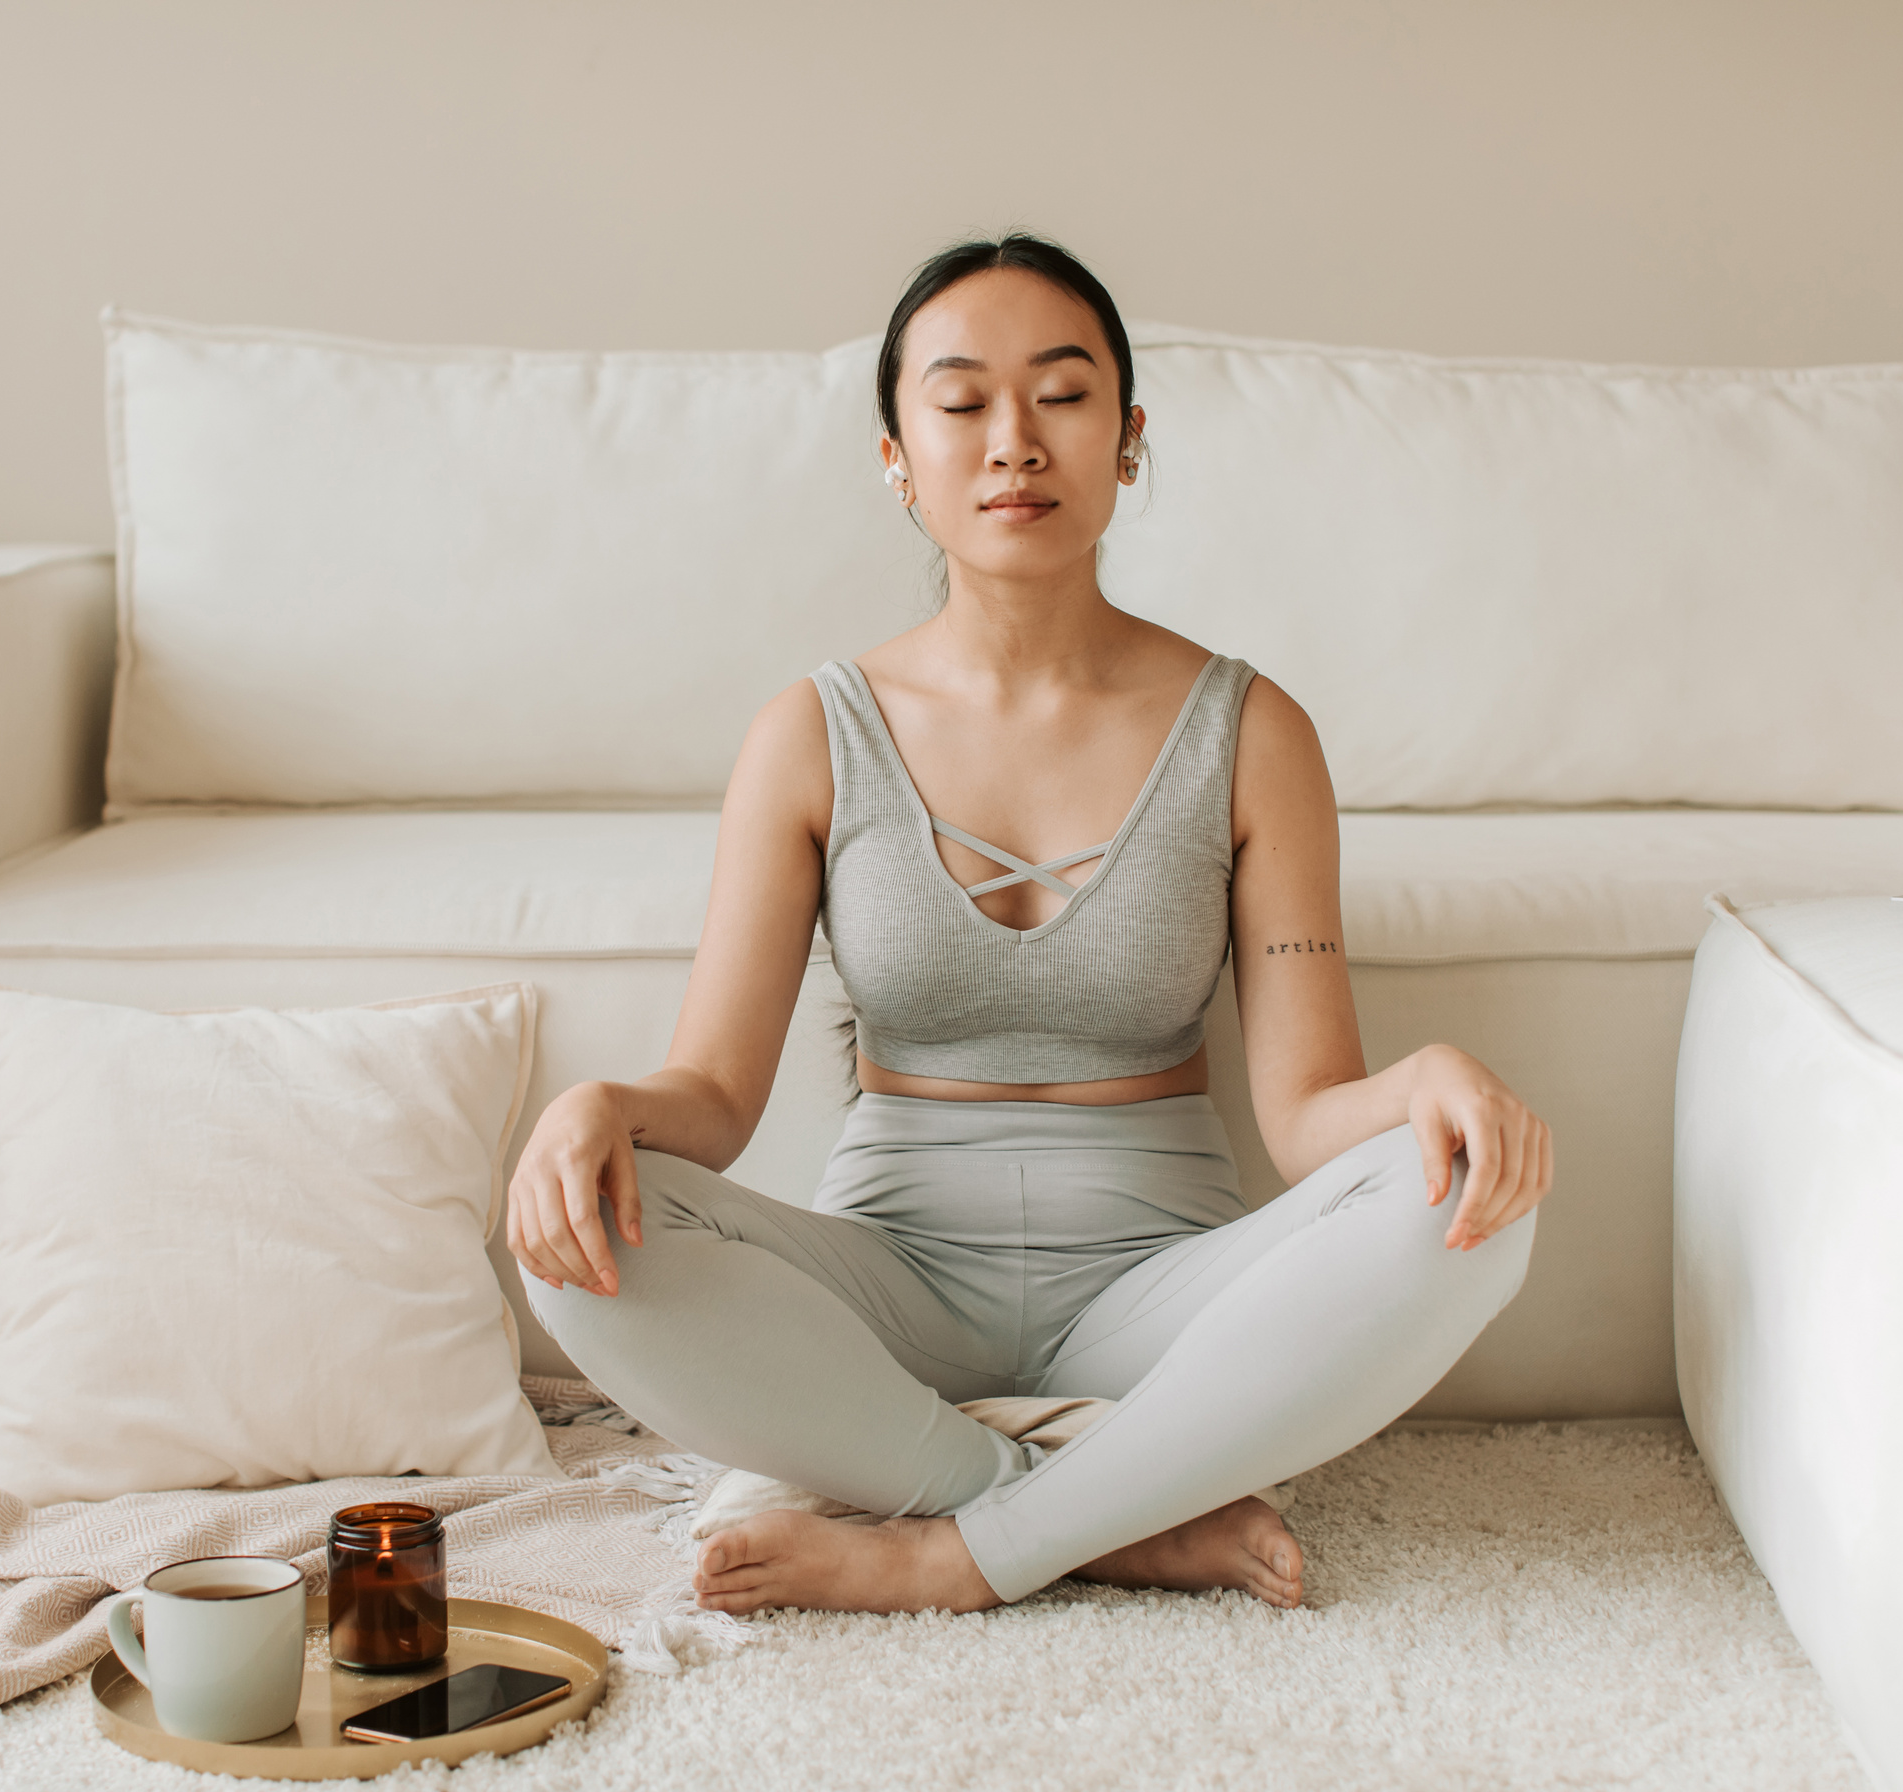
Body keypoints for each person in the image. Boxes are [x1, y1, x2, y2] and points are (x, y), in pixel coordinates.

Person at [510, 235, 1552, 1618]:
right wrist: (603, 1107)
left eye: (1062, 396)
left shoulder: (1252, 732)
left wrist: (1423, 1085)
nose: (1014, 442)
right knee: (577, 1242)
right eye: (960, 404)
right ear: (897, 455)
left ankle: (954, 1546)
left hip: (1159, 1307)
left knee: (1477, 1210)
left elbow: (1305, 1115)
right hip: (885, 1303)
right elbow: (711, 1094)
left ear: (1127, 440)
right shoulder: (810, 735)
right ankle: (1102, 1517)